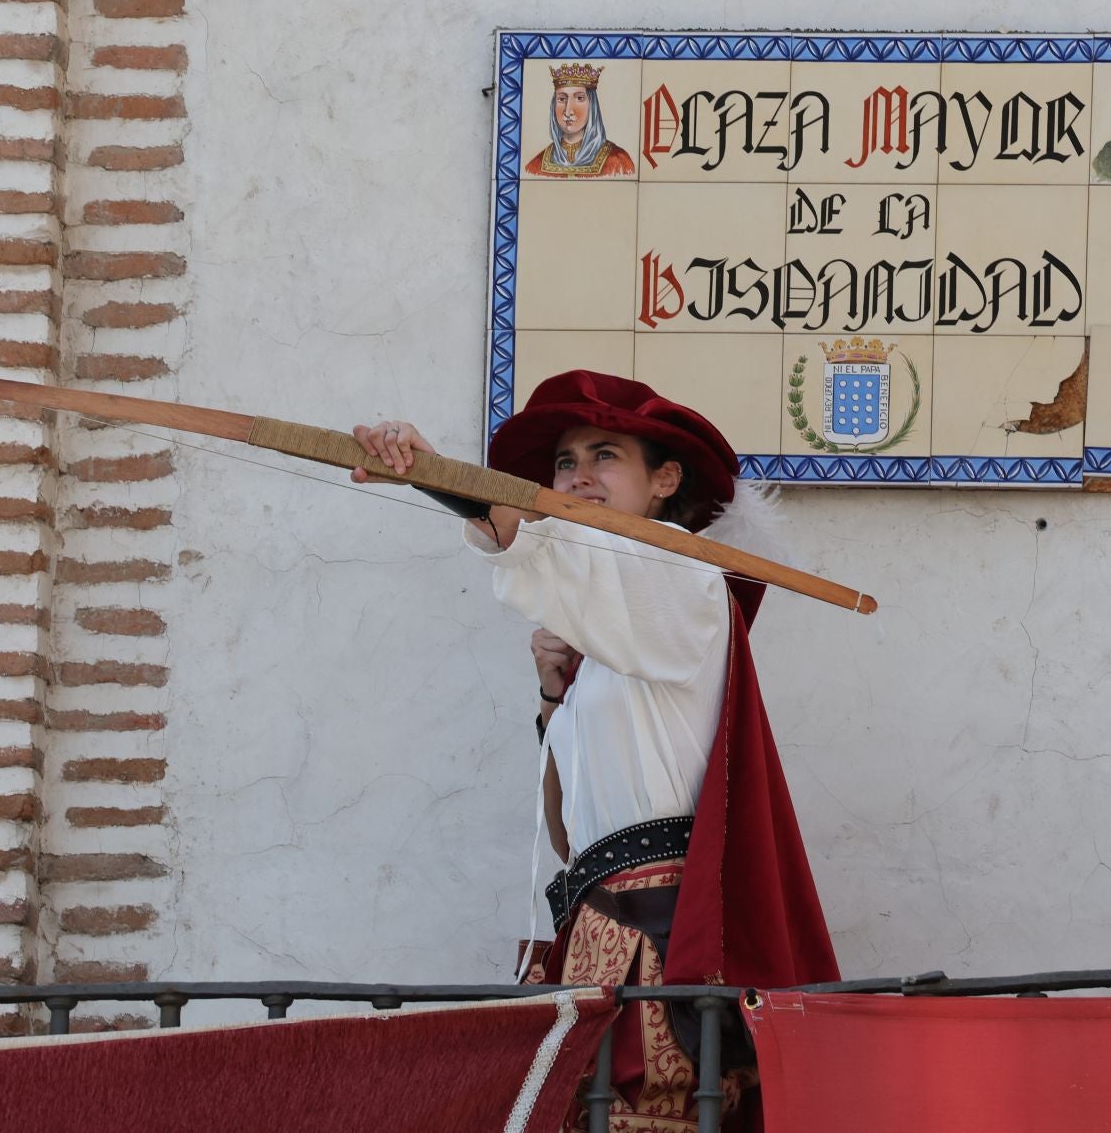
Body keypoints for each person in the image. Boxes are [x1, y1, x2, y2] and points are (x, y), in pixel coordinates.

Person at [353, 370, 839, 1132]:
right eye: (564, 462)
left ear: (664, 480)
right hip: (602, 931)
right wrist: (554, 699)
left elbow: (543, 544)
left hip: (662, 939)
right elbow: (571, 838)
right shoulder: (604, 630)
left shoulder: (677, 569)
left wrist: (436, 473)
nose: (577, 476)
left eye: (604, 455)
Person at [525, 63, 637, 178]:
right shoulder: (536, 164)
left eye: (579, 98)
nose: (568, 111)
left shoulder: (619, 162)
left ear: (592, 106)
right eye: (562, 99)